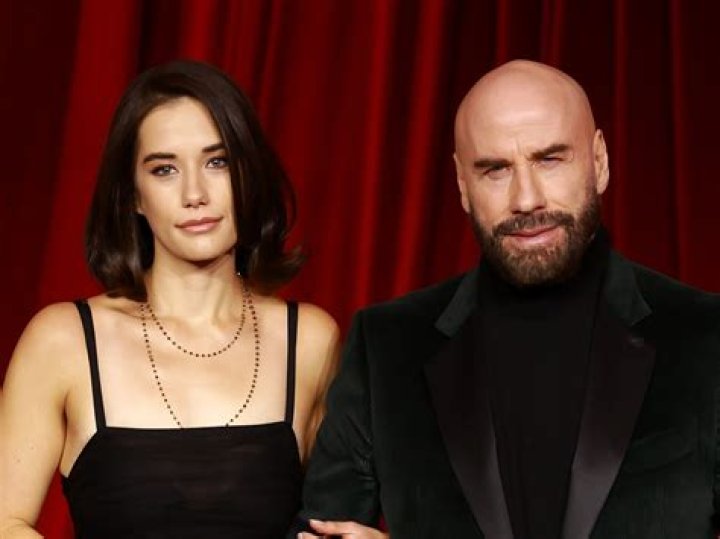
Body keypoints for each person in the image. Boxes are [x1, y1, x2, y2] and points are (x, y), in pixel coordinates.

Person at [295, 60, 720, 538]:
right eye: (495, 170)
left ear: (599, 162)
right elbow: (320, 529)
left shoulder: (706, 335)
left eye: (550, 159)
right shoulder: (387, 345)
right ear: (463, 185)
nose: (526, 199)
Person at [0, 60, 341, 538]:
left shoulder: (309, 340)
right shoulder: (63, 340)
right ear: (133, 195)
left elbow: (339, 517)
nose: (195, 193)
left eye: (217, 162)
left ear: (249, 174)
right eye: (164, 170)